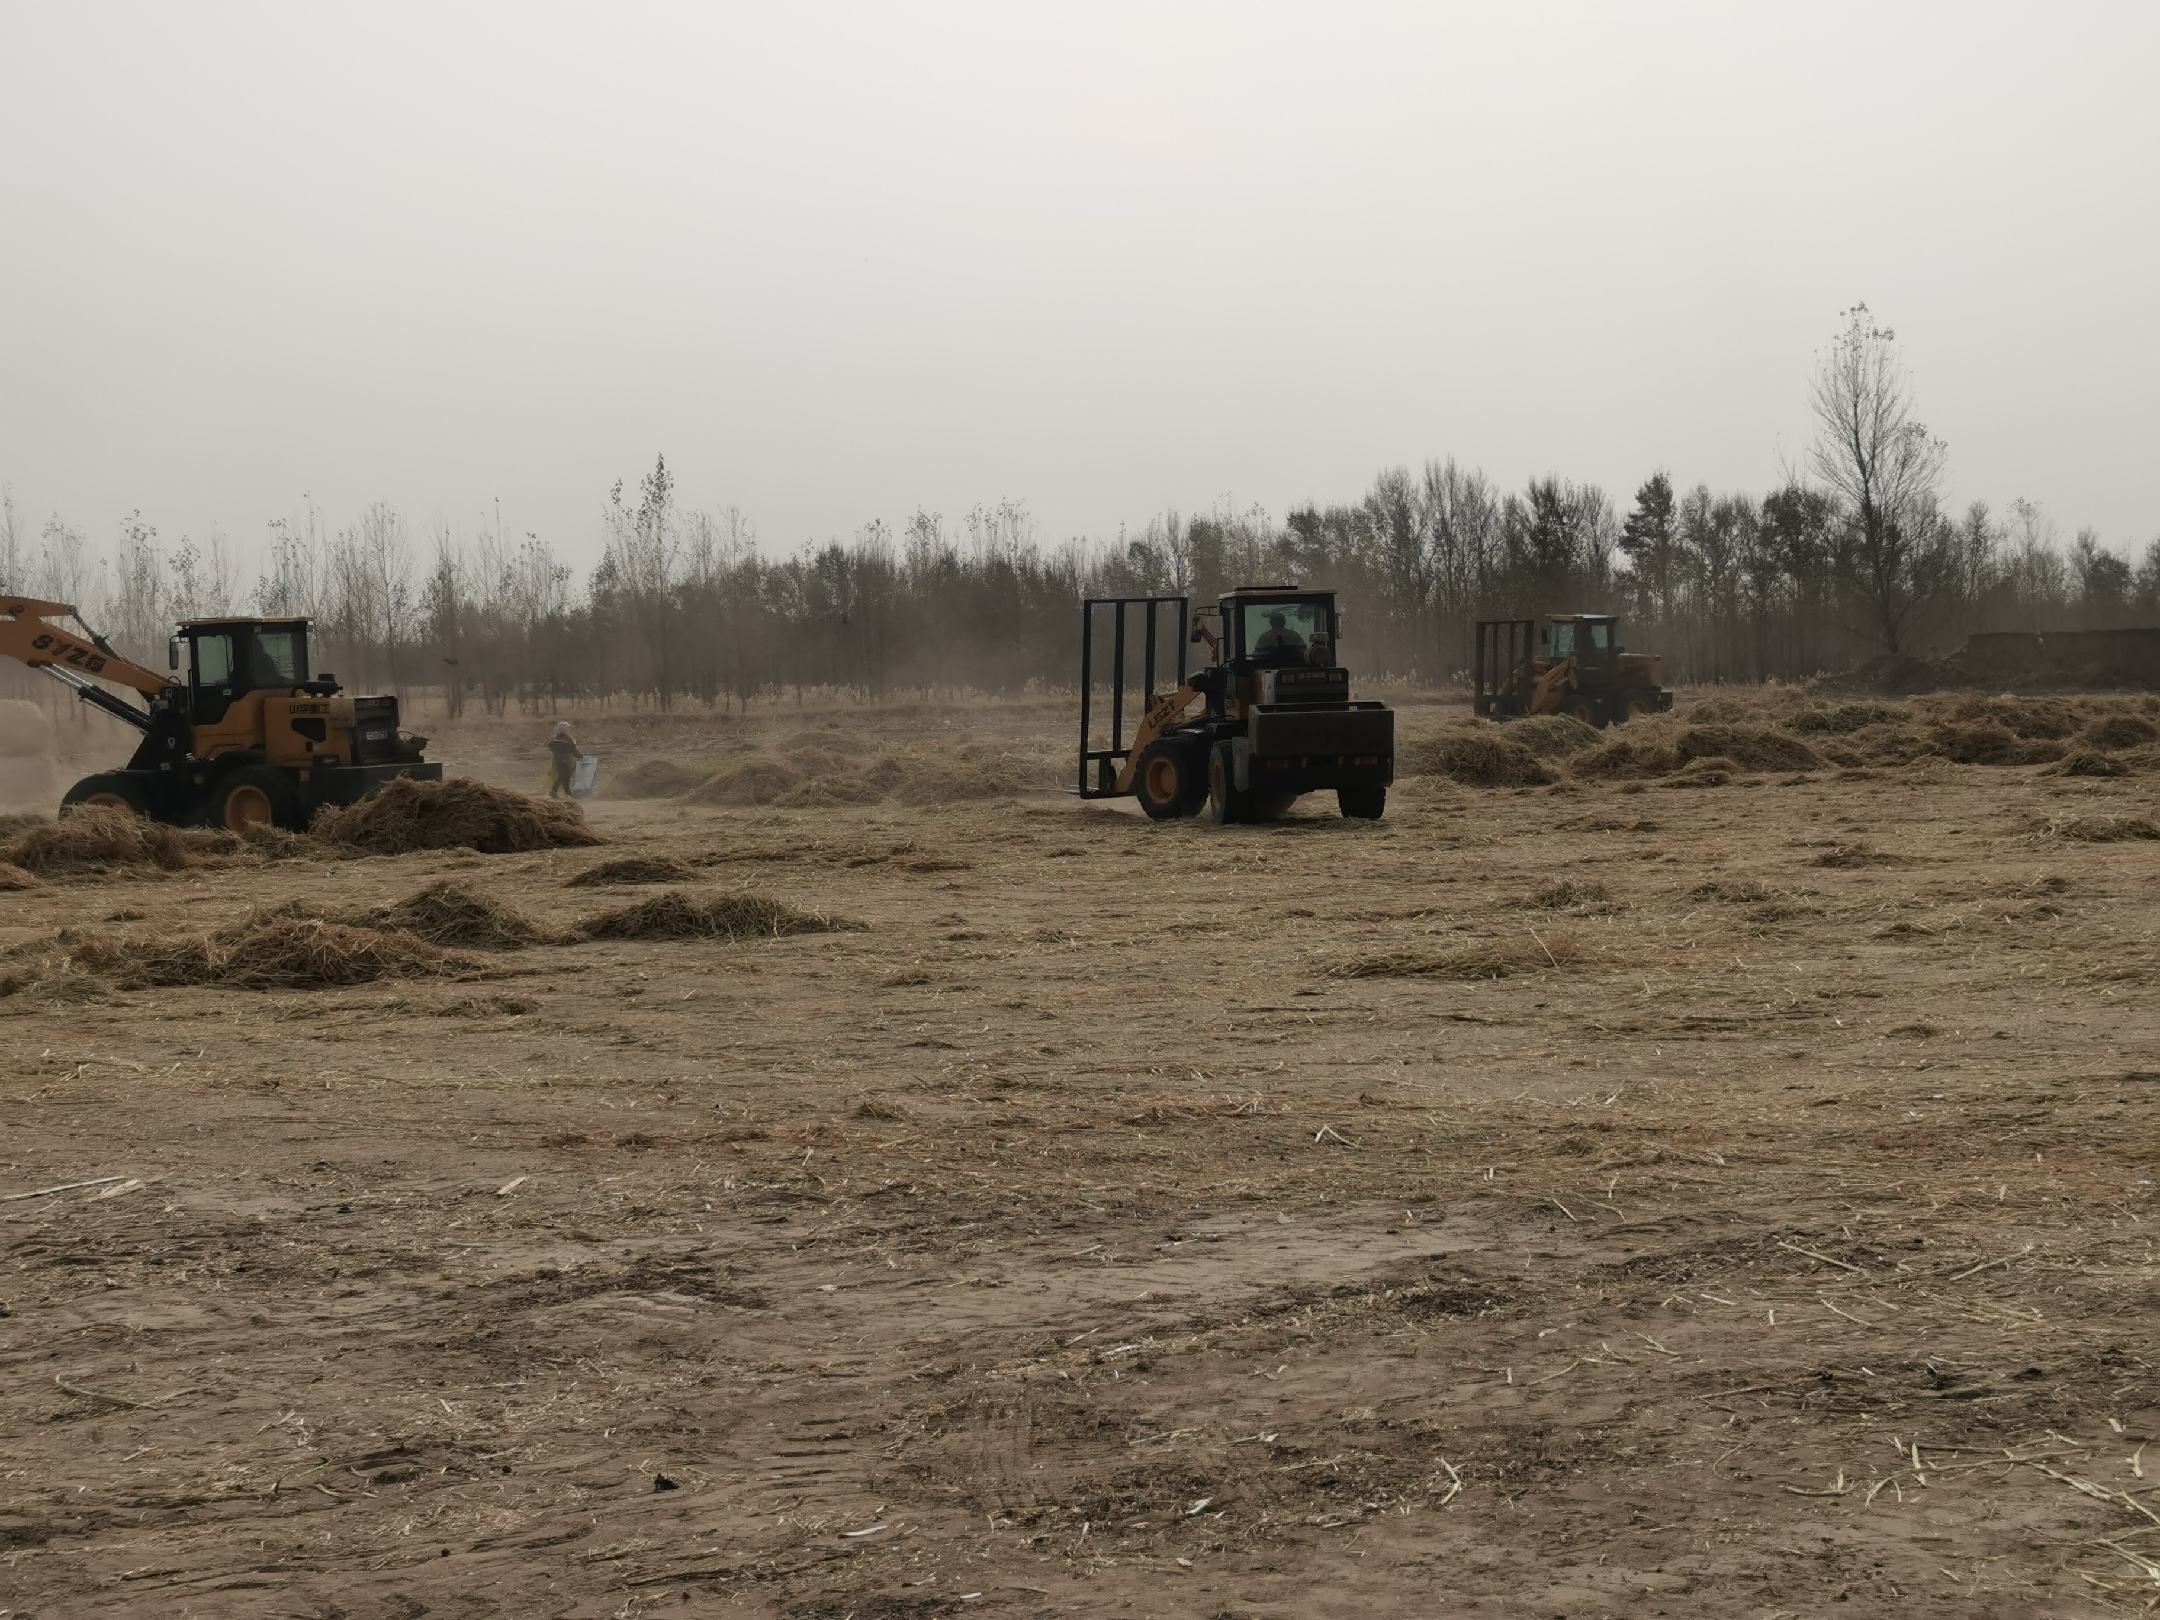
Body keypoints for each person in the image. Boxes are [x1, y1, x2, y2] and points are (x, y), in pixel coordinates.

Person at [547, 721, 580, 798]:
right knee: (565, 776)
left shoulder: (555, 738)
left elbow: (551, 747)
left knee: (562, 776)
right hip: (566, 761)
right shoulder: (568, 738)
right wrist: (580, 756)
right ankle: (566, 792)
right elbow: (573, 750)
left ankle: (555, 792)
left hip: (557, 761)